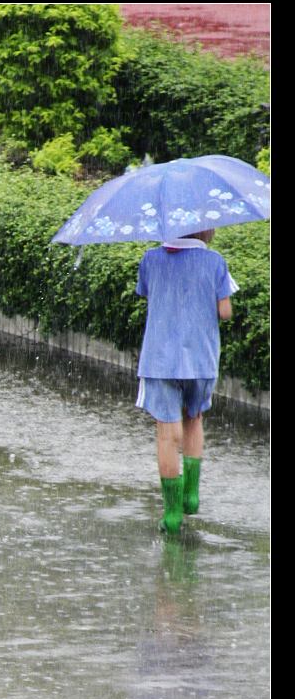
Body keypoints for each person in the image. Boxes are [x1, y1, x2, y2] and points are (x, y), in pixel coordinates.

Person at [134, 228, 238, 534]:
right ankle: (192, 495)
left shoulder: (150, 259)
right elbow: (225, 312)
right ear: (207, 227)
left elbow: (147, 293)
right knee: (194, 418)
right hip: (201, 360)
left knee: (168, 435)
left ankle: (172, 514)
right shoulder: (215, 261)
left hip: (160, 361)